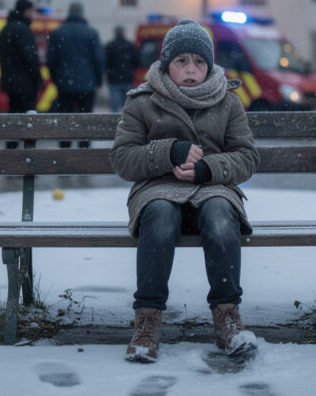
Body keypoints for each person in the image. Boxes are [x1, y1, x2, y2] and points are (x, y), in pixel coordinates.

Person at [109, 19, 261, 364]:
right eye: (181, 62)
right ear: (166, 65)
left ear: (209, 66)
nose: (191, 70)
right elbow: (122, 158)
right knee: (161, 217)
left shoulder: (228, 102)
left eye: (199, 62)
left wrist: (210, 169)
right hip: (158, 190)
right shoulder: (142, 102)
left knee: (222, 218)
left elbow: (247, 157)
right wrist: (167, 153)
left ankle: (227, 316)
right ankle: (147, 320)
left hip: (213, 189)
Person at [46, 2, 105, 147]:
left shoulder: (57, 33)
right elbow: (99, 59)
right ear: (81, 13)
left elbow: (51, 60)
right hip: (87, 84)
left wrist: (57, 79)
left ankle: (65, 151)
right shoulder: (91, 33)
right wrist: (97, 80)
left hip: (65, 85)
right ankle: (83, 152)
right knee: (85, 121)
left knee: (66, 121)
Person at [0, 0, 42, 114]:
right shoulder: (23, 30)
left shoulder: (5, 29)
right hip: (25, 85)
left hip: (11, 85)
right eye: (31, 11)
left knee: (15, 118)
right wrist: (37, 78)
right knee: (28, 120)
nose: (33, 15)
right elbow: (30, 58)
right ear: (26, 11)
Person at [104, 25, 139, 113]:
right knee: (127, 106)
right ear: (123, 33)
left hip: (114, 79)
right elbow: (137, 62)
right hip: (127, 78)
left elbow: (105, 63)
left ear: (115, 33)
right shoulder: (130, 45)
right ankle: (127, 124)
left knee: (115, 107)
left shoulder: (109, 46)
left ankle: (115, 123)